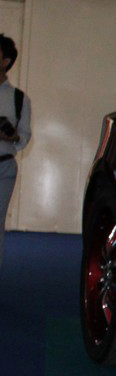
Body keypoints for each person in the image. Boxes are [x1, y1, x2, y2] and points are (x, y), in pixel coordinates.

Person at [0, 33, 30, 271]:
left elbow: (24, 135)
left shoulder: (19, 98)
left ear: (6, 61)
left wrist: (12, 137)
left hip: (4, 166)